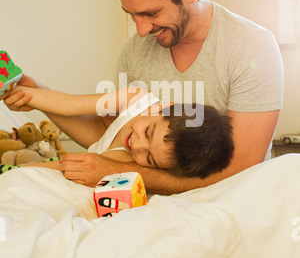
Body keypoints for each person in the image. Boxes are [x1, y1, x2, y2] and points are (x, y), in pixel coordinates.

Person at [4, 0, 283, 194]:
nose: (141, 30)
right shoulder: (137, 50)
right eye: (132, 15)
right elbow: (108, 135)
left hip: (221, 207)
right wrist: (38, 96)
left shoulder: (251, 48)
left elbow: (240, 171)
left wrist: (116, 172)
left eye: (151, 13)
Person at [1, 85, 234, 181]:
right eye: (149, 132)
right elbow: (70, 104)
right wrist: (27, 93)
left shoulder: (130, 162)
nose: (138, 146)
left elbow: (63, 166)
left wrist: (13, 172)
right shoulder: (137, 97)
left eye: (150, 158)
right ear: (164, 107)